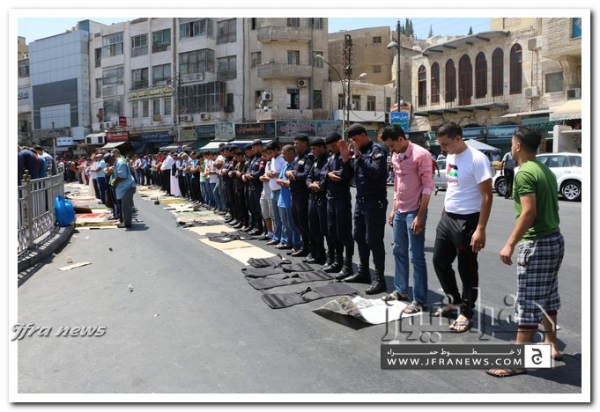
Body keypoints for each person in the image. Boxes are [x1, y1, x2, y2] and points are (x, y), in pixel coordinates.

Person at [486, 126, 565, 378]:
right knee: (548, 296)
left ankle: (517, 361)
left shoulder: (524, 173)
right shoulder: (544, 169)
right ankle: (551, 344)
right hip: (554, 239)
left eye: (512, 143)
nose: (511, 147)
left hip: (537, 243)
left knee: (528, 301)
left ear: (518, 146)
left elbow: (529, 212)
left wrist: (510, 243)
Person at [432, 121, 493, 332]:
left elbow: (487, 196)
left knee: (467, 269)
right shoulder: (451, 156)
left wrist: (481, 228)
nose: (442, 149)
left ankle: (466, 313)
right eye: (440, 144)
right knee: (439, 261)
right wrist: (444, 214)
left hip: (468, 220)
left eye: (445, 144)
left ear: (458, 138)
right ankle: (454, 301)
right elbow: (453, 187)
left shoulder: (477, 159)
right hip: (448, 217)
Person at [380, 125, 435, 314]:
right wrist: (393, 209)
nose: (391, 149)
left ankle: (420, 300)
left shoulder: (421, 155)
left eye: (392, 145)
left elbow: (427, 187)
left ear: (401, 139)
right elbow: (398, 185)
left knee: (416, 256)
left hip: (415, 211)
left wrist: (420, 216)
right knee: (398, 251)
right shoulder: (396, 155)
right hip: (400, 210)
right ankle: (401, 290)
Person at [340, 123, 389, 295]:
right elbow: (348, 176)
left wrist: (359, 157)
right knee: (359, 237)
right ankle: (363, 271)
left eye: (354, 139)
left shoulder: (377, 150)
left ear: (363, 135)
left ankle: (380, 279)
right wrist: (346, 159)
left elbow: (375, 172)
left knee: (374, 240)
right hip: (360, 202)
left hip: (375, 202)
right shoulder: (357, 153)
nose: (353, 143)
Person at [323, 131, 354, 279]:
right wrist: (328, 175)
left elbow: (345, 174)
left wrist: (331, 175)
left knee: (344, 232)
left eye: (334, 145)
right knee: (332, 231)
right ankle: (337, 261)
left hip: (341, 196)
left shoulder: (345, 156)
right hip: (331, 197)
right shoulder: (331, 157)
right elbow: (323, 172)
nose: (332, 148)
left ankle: (347, 266)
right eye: (330, 146)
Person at [286, 135, 316, 258]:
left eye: (297, 143)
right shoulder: (298, 157)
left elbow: (305, 175)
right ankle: (304, 246)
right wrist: (289, 172)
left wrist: (293, 175)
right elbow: (291, 171)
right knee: (298, 222)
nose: (295, 145)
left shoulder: (309, 157)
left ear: (304, 143)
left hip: (303, 195)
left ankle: (312, 249)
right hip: (294, 193)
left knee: (305, 223)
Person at [104, 149, 136, 229]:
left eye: (108, 162)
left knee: (126, 206)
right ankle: (124, 222)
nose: (108, 164)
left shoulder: (120, 163)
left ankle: (127, 223)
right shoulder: (116, 163)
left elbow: (122, 176)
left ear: (112, 158)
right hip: (123, 187)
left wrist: (115, 181)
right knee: (123, 206)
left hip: (127, 186)